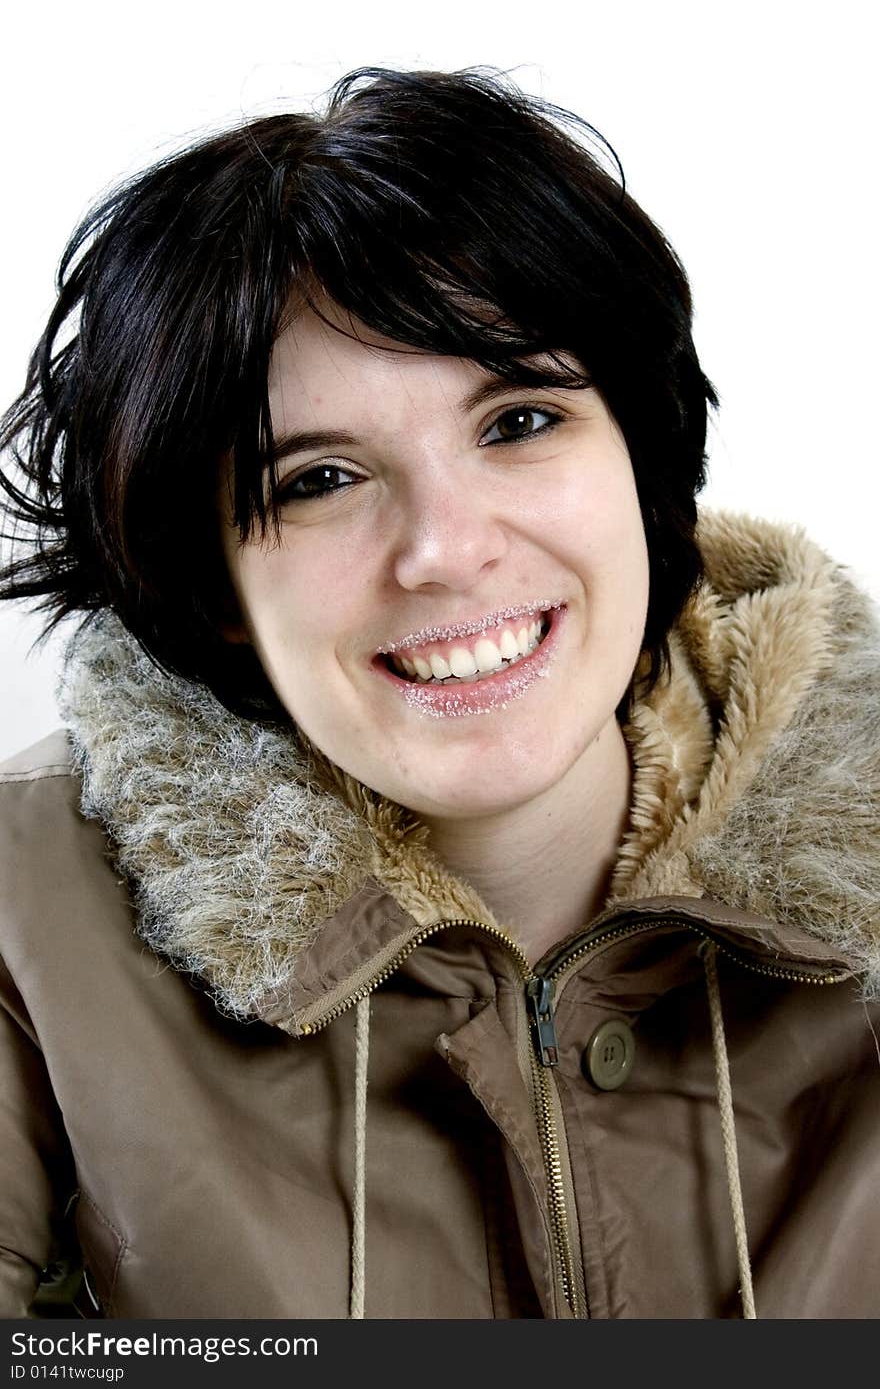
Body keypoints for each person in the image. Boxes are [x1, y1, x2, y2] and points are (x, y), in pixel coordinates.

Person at [0, 66, 878, 1323]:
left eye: (518, 420)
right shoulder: (23, 908)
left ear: (642, 454)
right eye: (316, 479)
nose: (446, 550)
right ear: (212, 583)